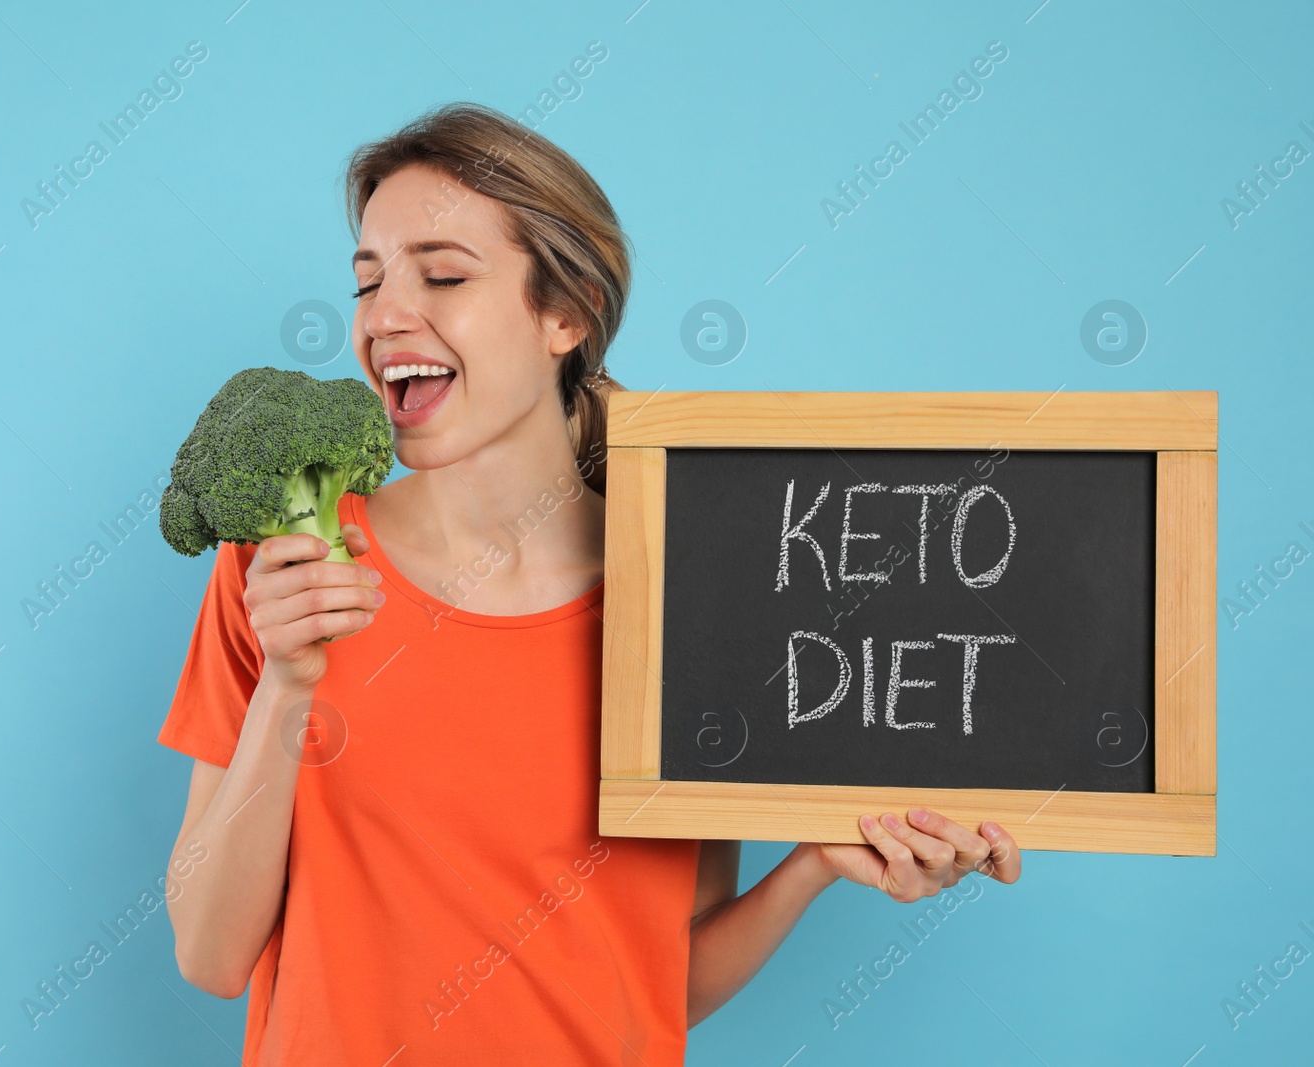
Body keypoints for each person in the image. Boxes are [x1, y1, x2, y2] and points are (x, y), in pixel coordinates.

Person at [157, 101, 1022, 1066]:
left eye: (442, 274)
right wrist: (288, 680)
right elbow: (210, 952)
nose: (386, 316)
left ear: (565, 314)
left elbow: (653, 982)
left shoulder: (695, 597)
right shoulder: (283, 571)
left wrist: (813, 864)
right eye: (368, 283)